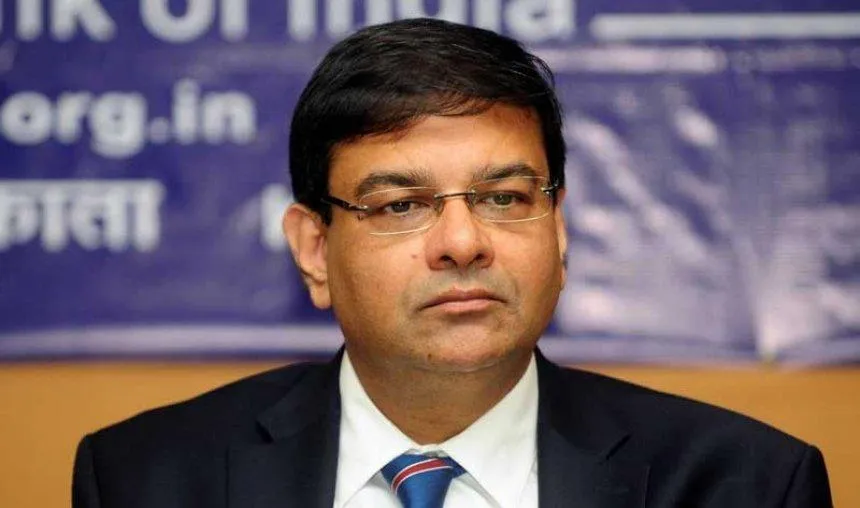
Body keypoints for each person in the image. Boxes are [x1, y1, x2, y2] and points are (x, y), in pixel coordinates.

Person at [72, 18, 832, 508]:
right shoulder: (150, 479)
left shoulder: (746, 485)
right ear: (315, 250)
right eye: (401, 204)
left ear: (559, 229)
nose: (463, 242)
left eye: (504, 197)